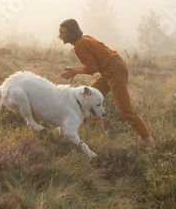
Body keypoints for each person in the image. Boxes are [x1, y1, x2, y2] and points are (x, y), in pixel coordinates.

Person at [58, 18, 154, 149]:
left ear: (71, 33)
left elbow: (92, 68)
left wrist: (75, 71)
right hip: (112, 68)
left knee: (126, 110)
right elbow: (96, 65)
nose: (60, 36)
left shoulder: (79, 45)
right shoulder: (85, 39)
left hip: (114, 71)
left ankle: (150, 143)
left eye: (63, 32)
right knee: (89, 97)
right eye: (60, 32)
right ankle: (102, 135)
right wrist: (75, 71)